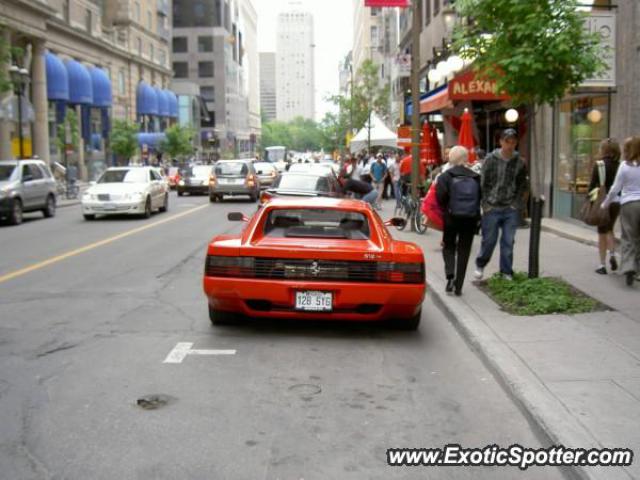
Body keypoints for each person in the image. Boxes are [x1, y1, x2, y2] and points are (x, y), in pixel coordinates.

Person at [474, 128, 527, 280]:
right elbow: (483, 183)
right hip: (492, 206)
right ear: (501, 142)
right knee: (489, 241)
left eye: (513, 142)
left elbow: (522, 184)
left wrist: (517, 205)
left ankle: (506, 271)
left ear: (516, 143)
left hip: (510, 208)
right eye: (507, 141)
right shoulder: (491, 159)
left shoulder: (520, 162)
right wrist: (486, 205)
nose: (510, 145)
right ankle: (481, 264)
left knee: (508, 241)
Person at [436, 146, 481, 296]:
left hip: (451, 217)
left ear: (451, 158)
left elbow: (440, 198)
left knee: (448, 246)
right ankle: (459, 285)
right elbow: (481, 198)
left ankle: (450, 275)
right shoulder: (476, 177)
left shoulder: (445, 177)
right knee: (464, 250)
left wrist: (446, 210)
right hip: (470, 218)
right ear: (466, 158)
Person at [601, 136, 640, 286]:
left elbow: (615, 188)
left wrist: (606, 203)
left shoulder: (624, 166)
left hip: (629, 204)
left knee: (629, 236)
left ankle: (629, 267)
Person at [589, 138, 621, 275]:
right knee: (610, 229)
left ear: (604, 150)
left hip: (602, 202)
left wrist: (590, 202)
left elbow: (592, 186)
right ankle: (613, 254)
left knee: (602, 232)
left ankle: (602, 264)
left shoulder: (599, 165)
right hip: (616, 201)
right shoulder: (620, 165)